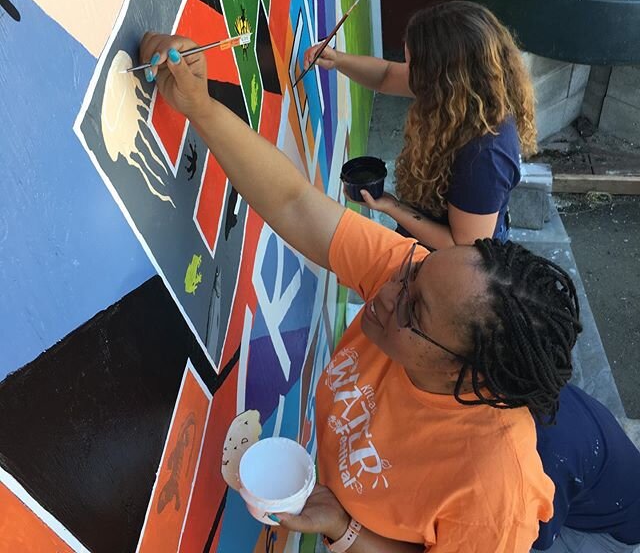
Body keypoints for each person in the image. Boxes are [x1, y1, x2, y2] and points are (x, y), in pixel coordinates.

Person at [139, 33, 581, 552]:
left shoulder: (493, 498)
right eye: (416, 270)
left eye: (412, 310)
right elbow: (294, 204)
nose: (388, 289)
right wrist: (199, 107)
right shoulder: (418, 279)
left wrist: (347, 532)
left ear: (466, 374)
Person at [304, 1, 537, 250]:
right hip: (433, 238)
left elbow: (463, 247)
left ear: (443, 78)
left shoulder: (486, 155)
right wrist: (337, 60)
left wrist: (392, 206)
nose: (407, 72)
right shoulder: (467, 93)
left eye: (412, 66)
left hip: (452, 265)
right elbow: (386, 76)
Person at [533, 384, 640, 553]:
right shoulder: (529, 378)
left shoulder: (548, 457)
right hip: (605, 497)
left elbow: (533, 536)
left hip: (610, 535)